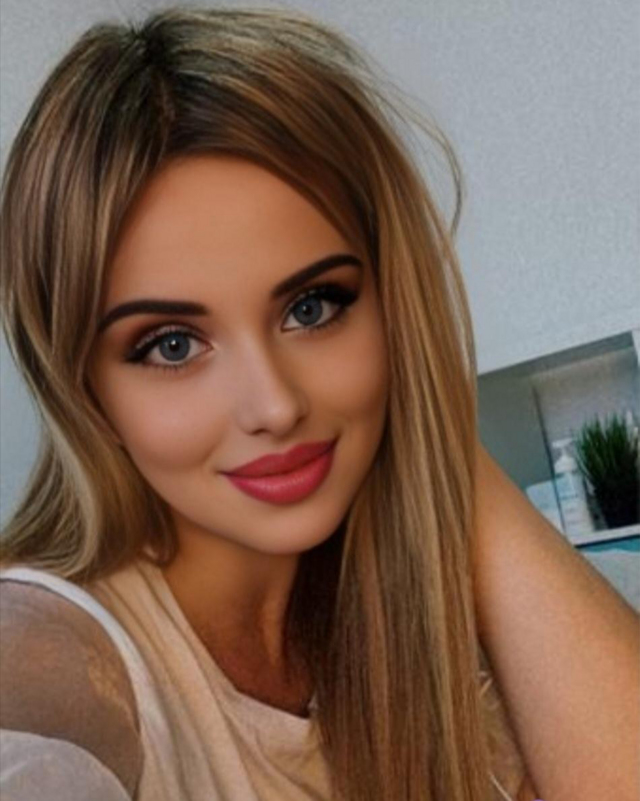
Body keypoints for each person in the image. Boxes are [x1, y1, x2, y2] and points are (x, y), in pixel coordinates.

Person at [2, 6, 637, 801]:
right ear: (82, 389)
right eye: (171, 345)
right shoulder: (53, 657)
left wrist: (427, 426)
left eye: (312, 307)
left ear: (393, 305)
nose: (273, 405)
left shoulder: (428, 621)